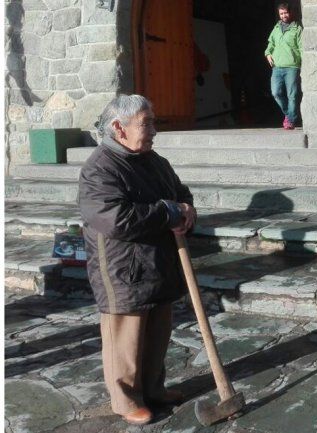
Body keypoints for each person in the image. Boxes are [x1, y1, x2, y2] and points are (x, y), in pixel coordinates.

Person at [78, 94, 197, 425]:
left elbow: (180, 193)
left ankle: (153, 389)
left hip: (158, 262)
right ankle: (126, 400)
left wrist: (187, 211)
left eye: (153, 121)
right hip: (123, 268)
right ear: (119, 127)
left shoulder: (154, 161)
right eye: (147, 123)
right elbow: (114, 218)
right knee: (125, 340)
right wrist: (168, 211)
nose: (155, 129)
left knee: (158, 333)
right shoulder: (99, 168)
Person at [265, 3, 302, 130]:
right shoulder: (276, 28)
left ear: (290, 12)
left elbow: (301, 47)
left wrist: (303, 64)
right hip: (277, 66)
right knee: (275, 93)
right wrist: (268, 53)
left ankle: (290, 120)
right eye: (281, 13)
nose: (283, 15)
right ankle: (289, 114)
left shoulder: (297, 29)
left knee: (292, 94)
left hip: (292, 66)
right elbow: (271, 43)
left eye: (285, 13)